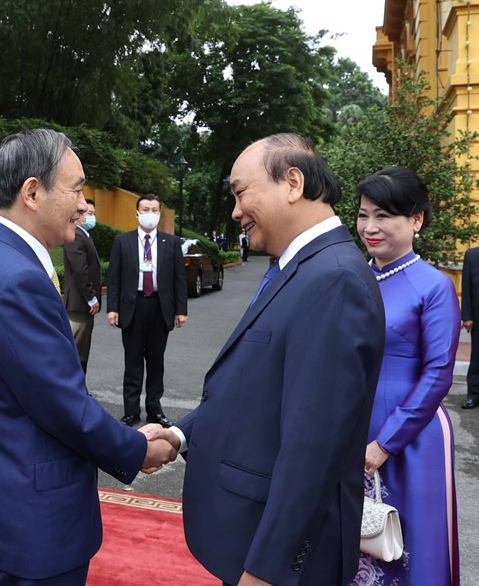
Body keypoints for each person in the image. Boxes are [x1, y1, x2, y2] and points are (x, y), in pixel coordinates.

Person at [147, 133, 386, 585]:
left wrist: (267, 570)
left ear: (293, 183)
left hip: (275, 564)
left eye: (241, 193)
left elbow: (312, 450)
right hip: (248, 537)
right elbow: (253, 385)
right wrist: (178, 436)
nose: (235, 211)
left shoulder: (334, 281)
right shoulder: (299, 267)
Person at [0, 128, 177, 585]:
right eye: (77, 190)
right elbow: (62, 404)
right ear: (33, 192)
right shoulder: (19, 279)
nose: (85, 206)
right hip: (30, 518)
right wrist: (136, 449)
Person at [351, 166, 460, 584]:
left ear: (416, 220)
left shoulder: (433, 285)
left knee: (408, 545)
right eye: (363, 215)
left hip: (412, 434)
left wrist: (385, 444)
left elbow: (438, 373)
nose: (370, 227)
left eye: (383, 216)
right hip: (353, 425)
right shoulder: (353, 278)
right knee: (353, 537)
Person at [107, 193, 188, 428]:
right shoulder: (122, 242)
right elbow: (114, 278)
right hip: (133, 307)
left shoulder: (171, 243)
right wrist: (113, 308)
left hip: (160, 308)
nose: (150, 214)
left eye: (154, 210)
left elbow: (179, 279)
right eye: (145, 209)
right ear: (137, 213)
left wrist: (181, 310)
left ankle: (155, 410)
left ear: (159, 213)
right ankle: (131, 411)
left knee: (156, 363)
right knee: (132, 362)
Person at [62, 198, 101, 374]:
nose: (93, 217)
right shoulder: (76, 236)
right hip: (78, 304)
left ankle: (78, 386)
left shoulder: (84, 235)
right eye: (90, 213)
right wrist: (91, 298)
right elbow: (80, 271)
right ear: (78, 215)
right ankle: (74, 388)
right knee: (76, 353)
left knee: (81, 352)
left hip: (82, 305)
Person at [461, 246, 479, 409]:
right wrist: (467, 316)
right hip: (478, 316)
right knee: (477, 359)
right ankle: (473, 395)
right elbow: (466, 286)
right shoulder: (472, 255)